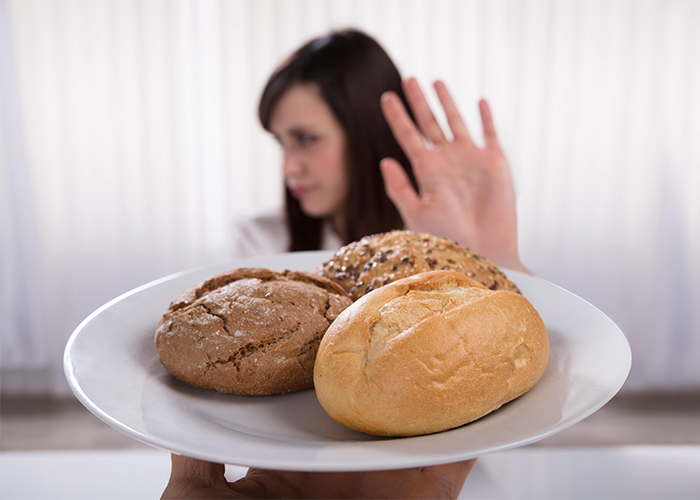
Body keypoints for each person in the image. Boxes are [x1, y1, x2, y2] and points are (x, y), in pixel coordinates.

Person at [164, 28, 526, 499]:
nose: (289, 167)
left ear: (366, 135)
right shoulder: (261, 242)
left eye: (306, 139)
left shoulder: (438, 250)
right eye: (281, 143)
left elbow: (535, 362)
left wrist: (500, 259)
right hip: (291, 461)